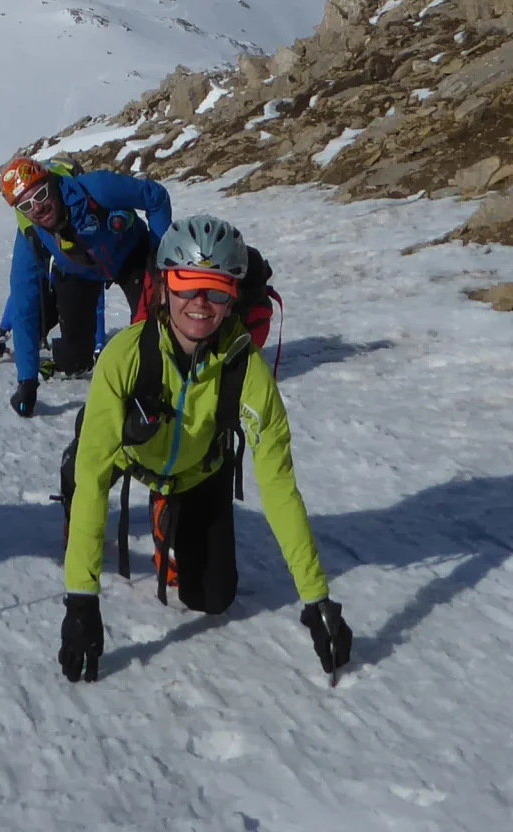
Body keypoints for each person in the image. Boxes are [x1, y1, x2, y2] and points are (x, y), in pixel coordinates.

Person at [56, 214, 351, 683]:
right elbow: (96, 478)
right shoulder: (126, 356)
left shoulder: (247, 373)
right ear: (164, 286)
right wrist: (81, 601)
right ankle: (85, 448)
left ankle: (166, 505)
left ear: (233, 297)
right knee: (90, 464)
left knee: (211, 599)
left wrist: (316, 599)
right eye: (187, 285)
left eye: (215, 291)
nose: (199, 304)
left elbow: (278, 484)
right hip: (128, 451)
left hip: (198, 470)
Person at [0, 156, 169, 417]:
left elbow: (156, 197)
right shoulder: (30, 237)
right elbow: (24, 302)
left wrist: (159, 256)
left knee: (151, 326)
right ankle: (69, 357)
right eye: (27, 205)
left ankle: (154, 384)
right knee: (75, 361)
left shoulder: (96, 189)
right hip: (80, 273)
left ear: (51, 183)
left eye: (40, 194)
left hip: (131, 255)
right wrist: (27, 382)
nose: (38, 208)